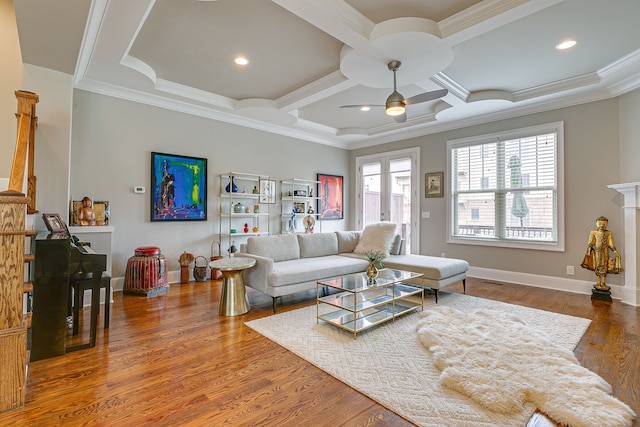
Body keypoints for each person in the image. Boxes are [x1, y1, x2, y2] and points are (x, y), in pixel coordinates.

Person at [580, 216, 623, 291]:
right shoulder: (593, 232)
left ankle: (603, 283)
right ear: (596, 223)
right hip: (596, 252)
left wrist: (615, 251)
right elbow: (591, 242)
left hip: (605, 252)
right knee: (597, 266)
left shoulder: (608, 233)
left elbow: (610, 243)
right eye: (600, 224)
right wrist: (589, 248)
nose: (602, 226)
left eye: (604, 224)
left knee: (604, 266)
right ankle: (598, 282)